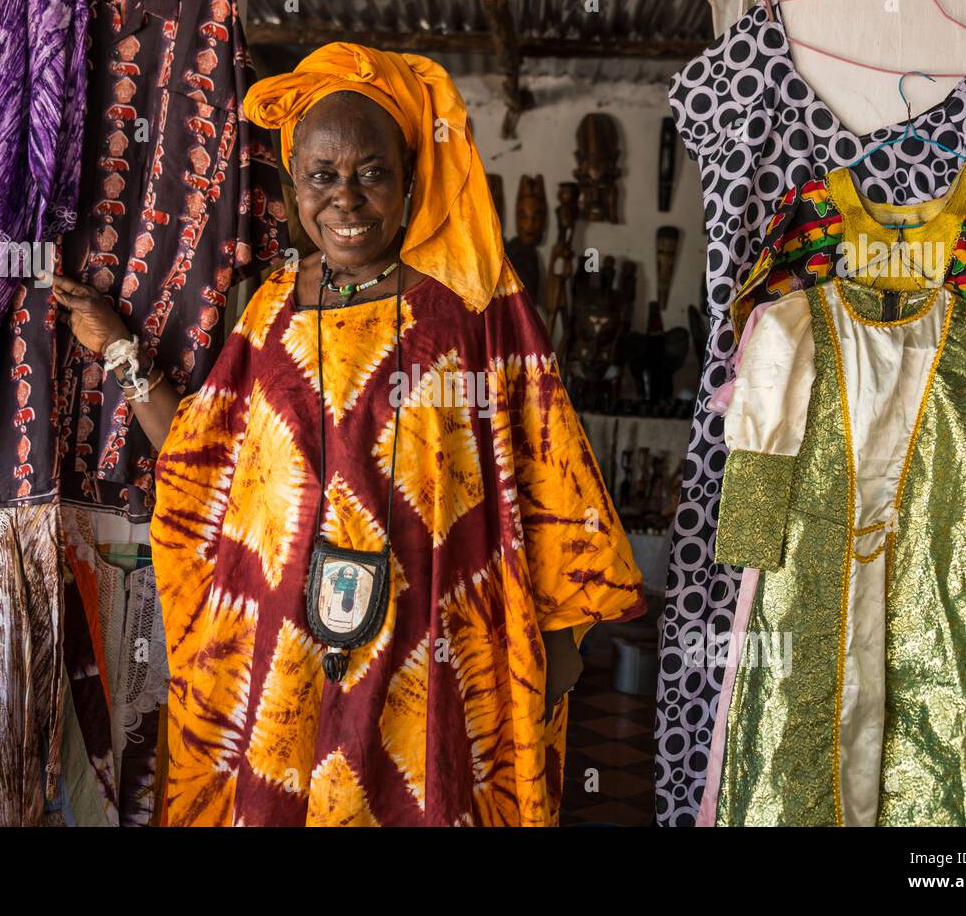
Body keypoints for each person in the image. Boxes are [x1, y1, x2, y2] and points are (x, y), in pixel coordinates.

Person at [57, 42, 643, 826]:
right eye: (321, 175)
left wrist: (555, 642)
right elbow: (204, 459)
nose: (346, 199)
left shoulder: (473, 311)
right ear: (295, 183)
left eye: (371, 172)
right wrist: (120, 349)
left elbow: (550, 479)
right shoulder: (271, 308)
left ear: (408, 178)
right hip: (291, 662)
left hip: (428, 661)